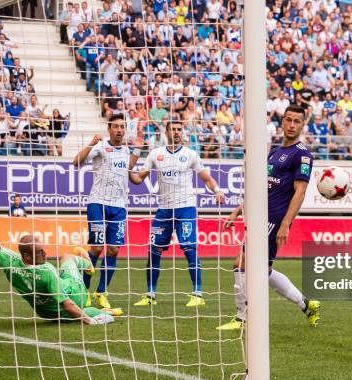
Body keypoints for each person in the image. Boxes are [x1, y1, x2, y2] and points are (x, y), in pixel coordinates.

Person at [216, 105, 320, 331]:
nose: (292, 125)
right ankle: (306, 304)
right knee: (263, 269)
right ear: (282, 122)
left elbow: (300, 192)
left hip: (274, 219)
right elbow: (263, 189)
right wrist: (238, 210)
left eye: (297, 121)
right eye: (289, 120)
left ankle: (242, 317)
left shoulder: (302, 155)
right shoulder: (274, 152)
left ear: (303, 125)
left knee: (241, 263)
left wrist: (285, 224)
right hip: (261, 216)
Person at [0, 194, 114, 325]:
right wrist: (89, 321)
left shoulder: (9, 261)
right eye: (39, 251)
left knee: (65, 270)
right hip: (74, 298)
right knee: (67, 257)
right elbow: (67, 304)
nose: (45, 253)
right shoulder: (47, 271)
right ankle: (88, 265)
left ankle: (91, 299)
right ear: (27, 256)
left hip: (47, 315)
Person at [130, 121, 226, 307]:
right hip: (164, 209)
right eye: (173, 129)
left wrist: (217, 190)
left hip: (186, 208)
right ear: (166, 132)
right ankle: (150, 294)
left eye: (179, 129)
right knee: (153, 249)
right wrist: (125, 170)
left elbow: (206, 177)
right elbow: (138, 178)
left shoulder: (190, 154)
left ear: (183, 132)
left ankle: (197, 294)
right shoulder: (155, 154)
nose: (176, 132)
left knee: (190, 248)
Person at [72, 114, 142, 309]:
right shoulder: (101, 147)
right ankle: (83, 291)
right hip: (98, 204)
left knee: (114, 249)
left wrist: (138, 147)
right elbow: (76, 162)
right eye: (116, 127)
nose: (119, 130)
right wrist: (90, 143)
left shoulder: (126, 151)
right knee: (96, 248)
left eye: (122, 127)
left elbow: (129, 168)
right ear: (109, 129)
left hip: (119, 207)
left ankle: (101, 292)